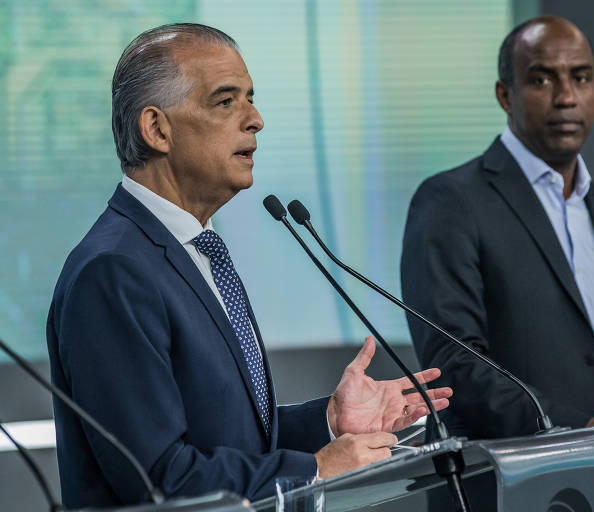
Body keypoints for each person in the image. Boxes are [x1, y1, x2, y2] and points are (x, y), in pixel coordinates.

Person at [46, 23, 452, 509]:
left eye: (251, 98)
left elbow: (230, 439)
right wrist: (318, 469)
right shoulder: (113, 271)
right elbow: (158, 477)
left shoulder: (197, 249)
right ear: (156, 129)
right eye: (225, 101)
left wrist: (328, 422)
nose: (255, 119)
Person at [401, 16, 594, 504]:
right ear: (505, 95)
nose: (566, 97)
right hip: (498, 488)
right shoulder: (451, 201)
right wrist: (575, 429)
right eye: (542, 79)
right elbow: (454, 362)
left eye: (581, 78)